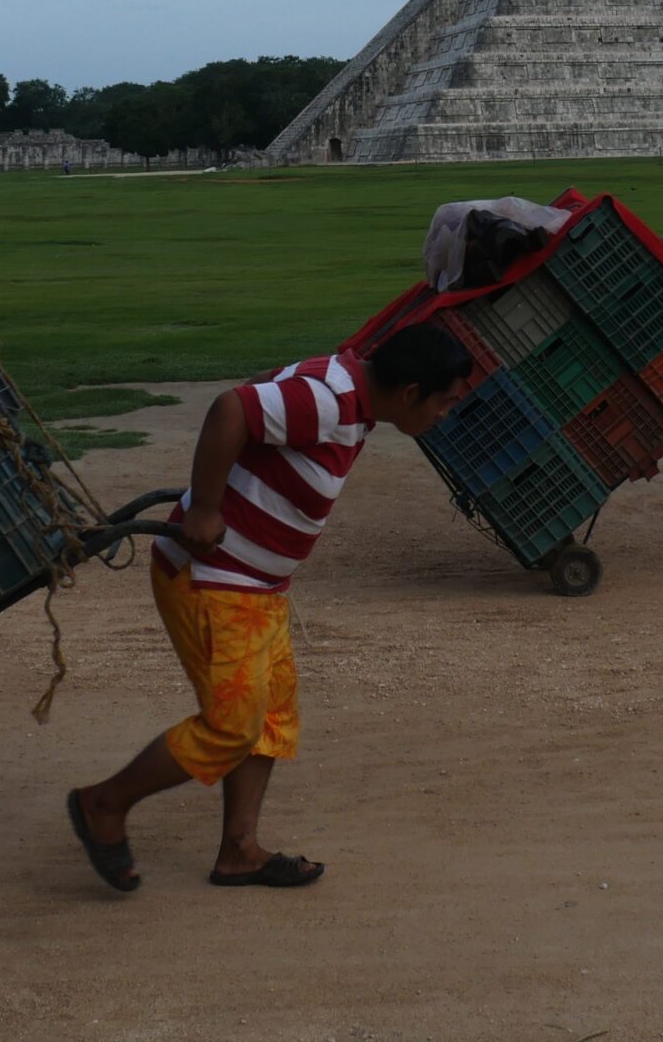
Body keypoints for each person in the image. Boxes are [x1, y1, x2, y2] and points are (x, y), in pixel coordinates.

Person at [68, 322, 473, 894]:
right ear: (409, 392)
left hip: (256, 589)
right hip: (215, 580)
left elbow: (261, 389)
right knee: (232, 726)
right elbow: (232, 408)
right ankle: (103, 805)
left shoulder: (347, 388)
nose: (444, 416)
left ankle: (239, 852)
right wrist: (206, 506)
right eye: (444, 403)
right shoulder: (331, 400)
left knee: (270, 717)